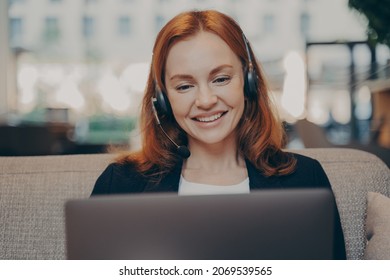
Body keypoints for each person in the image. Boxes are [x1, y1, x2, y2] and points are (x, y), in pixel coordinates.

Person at [91, 9, 346, 259]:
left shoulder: (305, 179)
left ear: (249, 82)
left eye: (221, 79)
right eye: (184, 86)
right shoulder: (119, 185)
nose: (205, 100)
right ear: (162, 100)